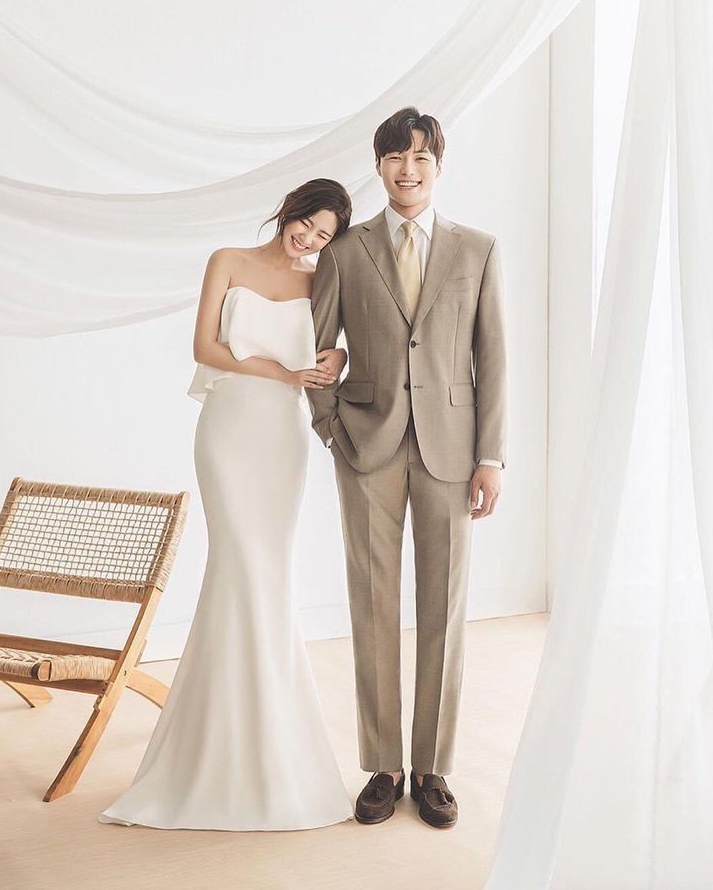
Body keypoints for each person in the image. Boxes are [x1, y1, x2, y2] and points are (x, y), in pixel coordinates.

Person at [98, 178, 355, 831]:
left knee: (266, 575)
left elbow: (339, 348)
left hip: (285, 438)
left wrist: (335, 357)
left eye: (325, 236)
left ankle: (273, 741)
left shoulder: (323, 282)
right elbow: (205, 349)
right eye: (307, 224)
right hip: (230, 427)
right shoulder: (229, 261)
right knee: (236, 566)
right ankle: (217, 748)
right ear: (289, 210)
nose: (311, 239)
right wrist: (279, 370)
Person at [306, 107, 508, 829]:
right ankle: (384, 766)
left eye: (420, 157)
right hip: (367, 446)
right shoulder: (347, 250)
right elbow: (316, 349)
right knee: (373, 605)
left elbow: (494, 358)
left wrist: (491, 456)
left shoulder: (476, 249)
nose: (407, 169)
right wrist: (330, 428)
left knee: (444, 610)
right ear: (380, 165)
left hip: (453, 452)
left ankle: (434, 766)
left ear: (438, 165)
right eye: (395, 157)